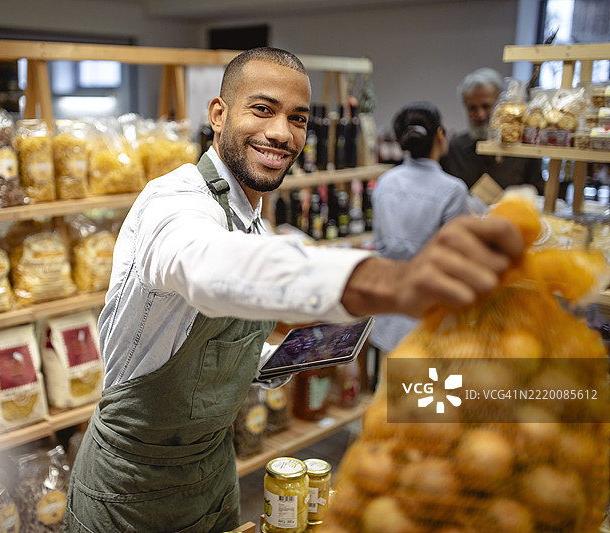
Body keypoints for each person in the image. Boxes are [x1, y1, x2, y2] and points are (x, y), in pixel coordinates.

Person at [65, 47, 524, 533]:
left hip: (213, 478)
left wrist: (271, 362)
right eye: (262, 110)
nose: (282, 133)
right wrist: (386, 279)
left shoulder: (254, 223)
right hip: (128, 492)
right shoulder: (172, 201)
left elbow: (206, 350)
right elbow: (205, 267)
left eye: (298, 118)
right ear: (218, 115)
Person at [370, 102, 470, 354]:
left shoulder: (385, 182)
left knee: (390, 387)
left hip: (388, 305)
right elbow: (454, 258)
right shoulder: (453, 190)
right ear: (440, 135)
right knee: (426, 390)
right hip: (429, 310)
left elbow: (380, 242)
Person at [440, 67, 545, 194]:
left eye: (486, 106)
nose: (480, 114)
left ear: (501, 104)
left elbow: (538, 195)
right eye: (472, 108)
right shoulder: (454, 149)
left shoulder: (524, 151)